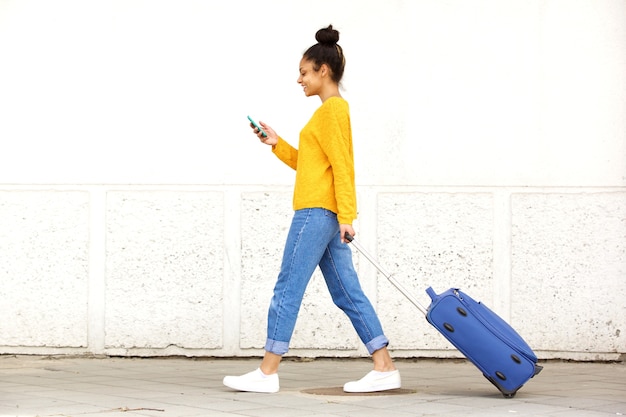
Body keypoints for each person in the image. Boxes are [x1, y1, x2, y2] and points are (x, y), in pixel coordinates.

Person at [223, 25, 400, 394]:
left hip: (317, 213)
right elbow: (313, 165)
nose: (299, 79)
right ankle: (384, 366)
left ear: (323, 70)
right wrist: (277, 144)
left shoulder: (334, 110)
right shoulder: (326, 113)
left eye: (304, 72)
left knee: (288, 286)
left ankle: (267, 372)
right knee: (347, 292)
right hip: (326, 213)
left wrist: (348, 216)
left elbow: (343, 165)